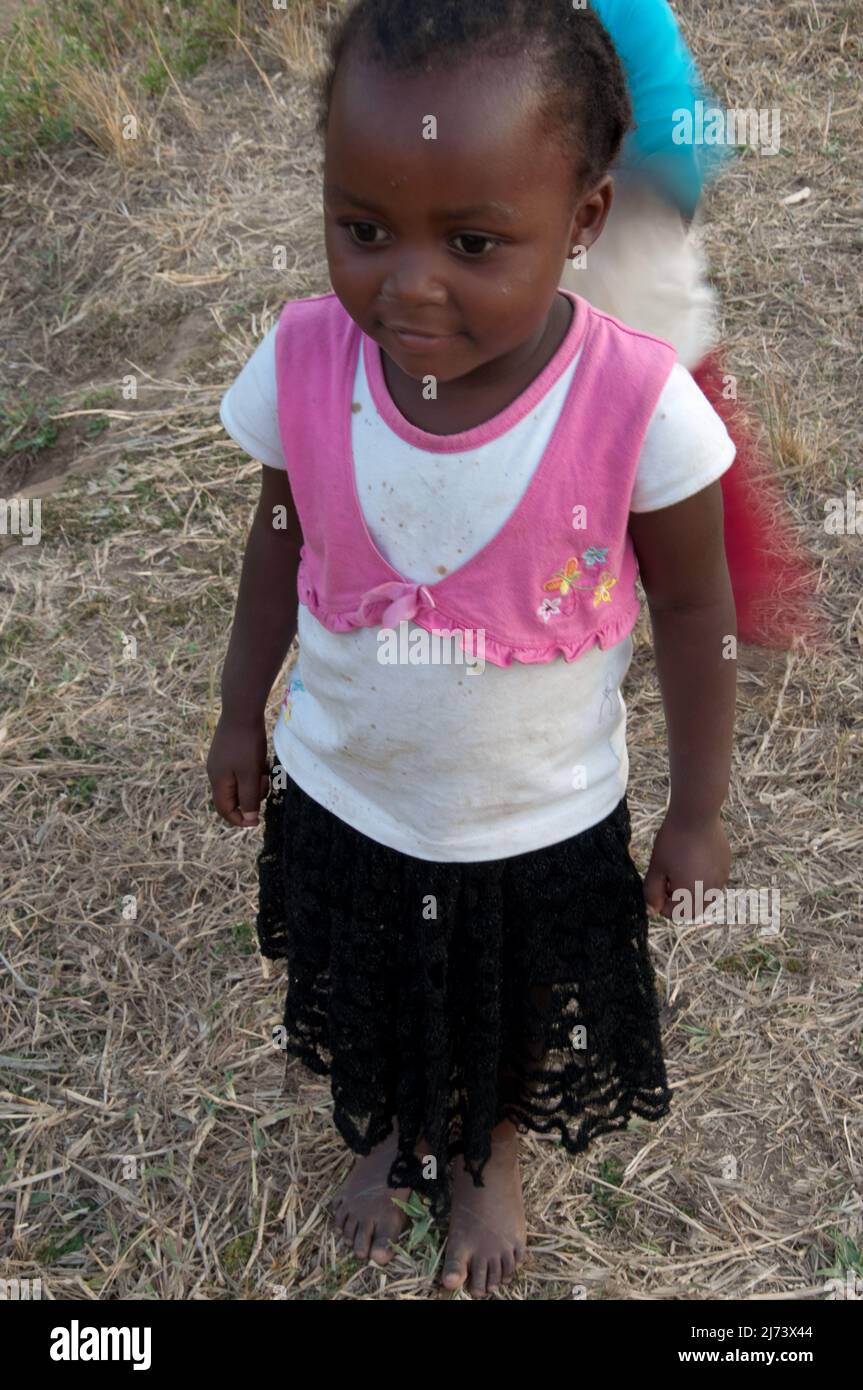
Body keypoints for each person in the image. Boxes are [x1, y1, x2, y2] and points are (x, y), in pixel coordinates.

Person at [210, 0, 738, 1297]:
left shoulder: (633, 403)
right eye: (364, 227)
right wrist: (238, 711)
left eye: (473, 240)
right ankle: (384, 1120)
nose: (408, 283)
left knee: (503, 1006)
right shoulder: (305, 363)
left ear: (582, 222)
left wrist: (696, 811)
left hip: (532, 820)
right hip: (348, 788)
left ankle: (487, 1148)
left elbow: (689, 609)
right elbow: (275, 543)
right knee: (366, 976)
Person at [576, 0, 820, 648]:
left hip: (619, 222)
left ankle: (741, 589)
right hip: (530, 221)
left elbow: (666, 114)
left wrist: (660, 191)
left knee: (672, 393)